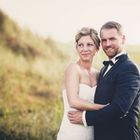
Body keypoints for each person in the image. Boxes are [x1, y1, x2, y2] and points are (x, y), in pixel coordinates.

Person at [68, 21, 140, 140]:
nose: (107, 44)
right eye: (104, 40)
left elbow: (119, 109)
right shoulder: (103, 69)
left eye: (112, 39)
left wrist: (85, 118)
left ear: (123, 39)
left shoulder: (129, 68)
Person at [57, 27, 107, 140]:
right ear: (76, 48)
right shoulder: (73, 69)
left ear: (97, 49)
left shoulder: (99, 74)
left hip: (91, 132)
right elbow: (73, 101)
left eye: (89, 44)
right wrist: (103, 108)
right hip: (71, 132)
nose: (84, 49)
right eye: (80, 45)